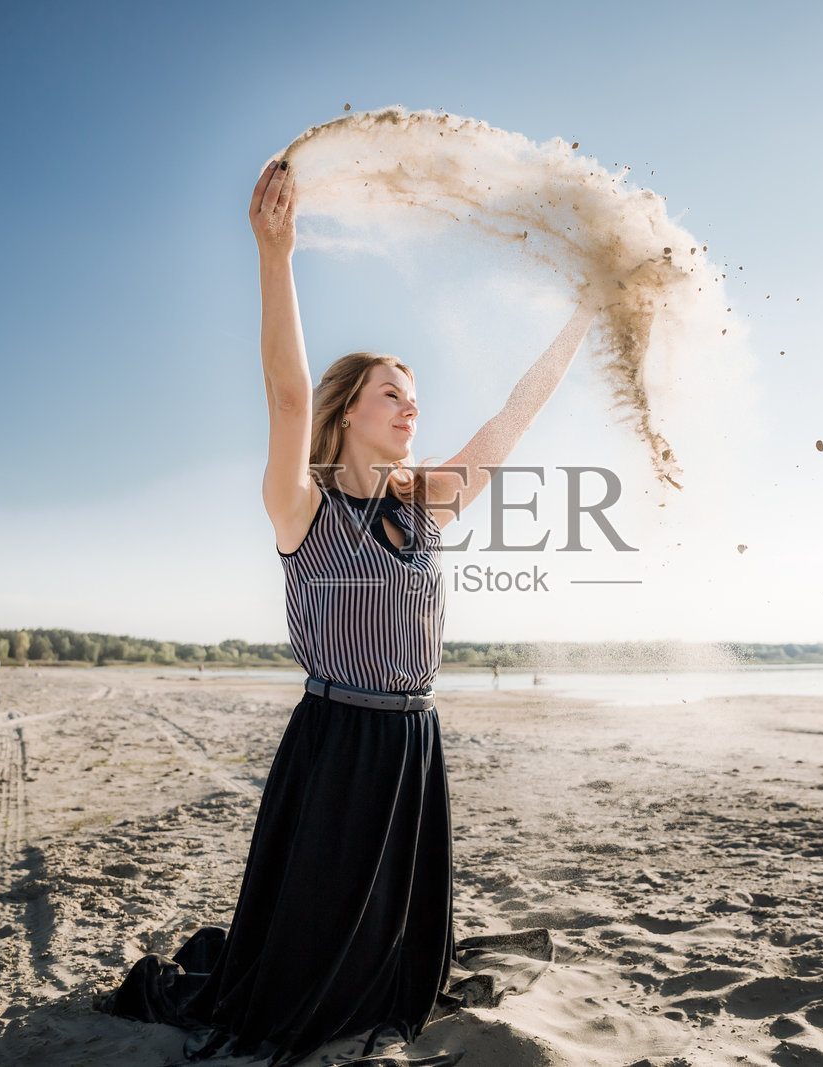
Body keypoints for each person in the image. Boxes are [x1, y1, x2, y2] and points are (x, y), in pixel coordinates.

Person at [96, 158, 605, 1064]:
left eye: (415, 396)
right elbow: (287, 392)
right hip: (335, 743)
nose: (411, 408)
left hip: (414, 741)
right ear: (349, 411)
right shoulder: (303, 506)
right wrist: (275, 252)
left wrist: (585, 317)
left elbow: (510, 420)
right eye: (391, 394)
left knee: (394, 950)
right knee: (305, 966)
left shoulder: (424, 505)